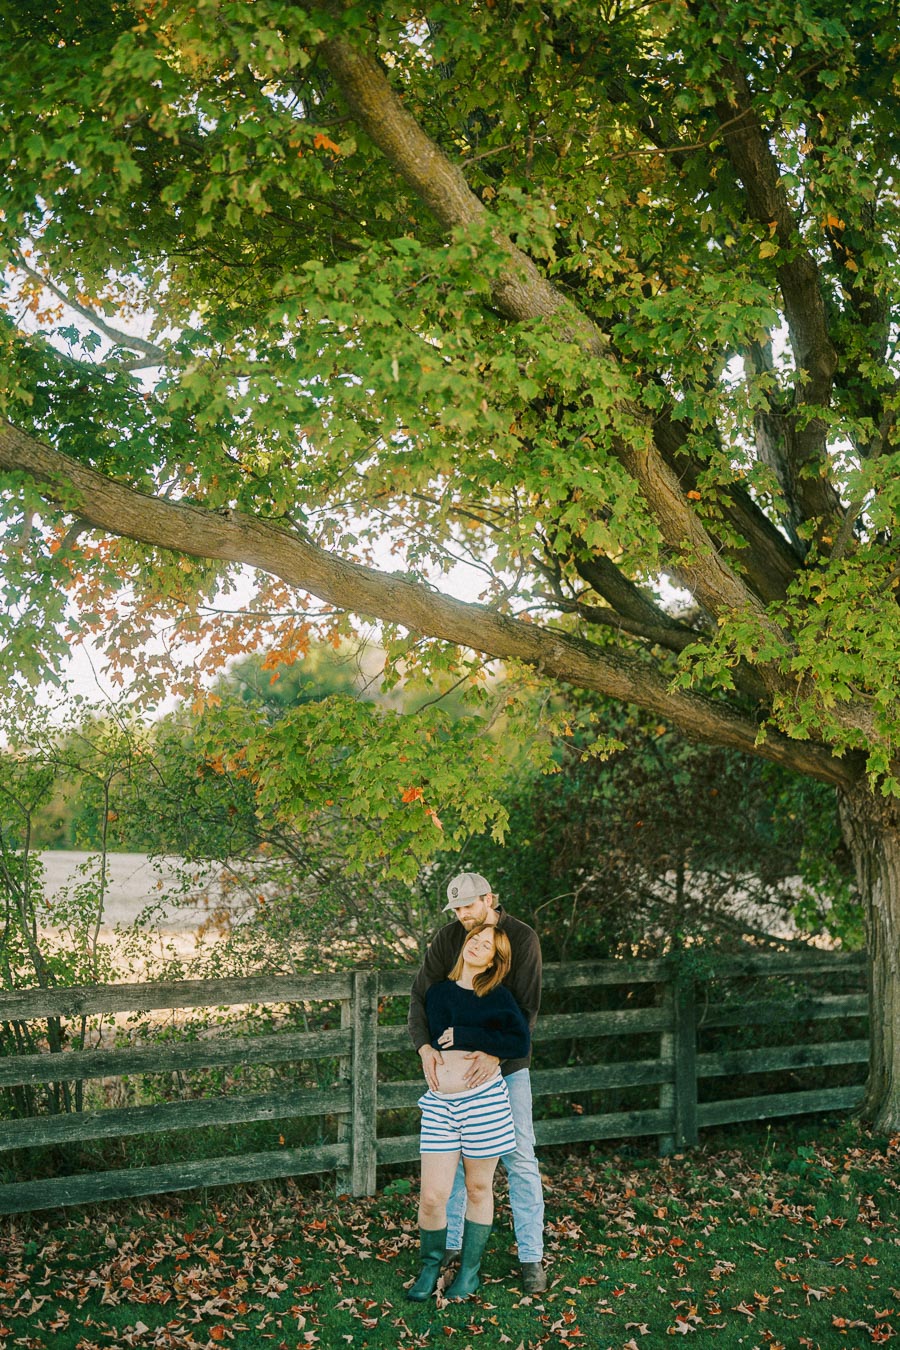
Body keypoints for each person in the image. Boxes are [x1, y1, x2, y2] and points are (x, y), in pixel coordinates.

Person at [408, 871, 547, 1294]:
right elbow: (421, 994)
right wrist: (425, 1048)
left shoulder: (522, 939)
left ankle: (531, 1257)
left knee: (519, 1157)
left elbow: (525, 1009)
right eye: (457, 909)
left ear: (490, 898)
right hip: (454, 1078)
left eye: (469, 906)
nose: (463, 916)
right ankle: (449, 1249)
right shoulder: (451, 937)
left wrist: (494, 1054)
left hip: (506, 1069)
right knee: (449, 1169)